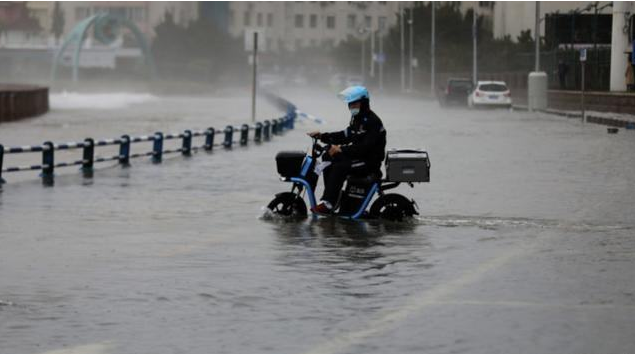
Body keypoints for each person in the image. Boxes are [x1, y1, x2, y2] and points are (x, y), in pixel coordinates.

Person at [307, 86, 386, 214]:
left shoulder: (373, 122)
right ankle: (334, 197)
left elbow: (364, 148)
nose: (351, 106)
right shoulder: (357, 119)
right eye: (350, 104)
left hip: (368, 162)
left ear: (364, 103)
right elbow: (345, 135)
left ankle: (328, 202)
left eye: (355, 103)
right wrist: (323, 136)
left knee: (340, 166)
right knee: (327, 156)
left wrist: (340, 150)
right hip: (358, 157)